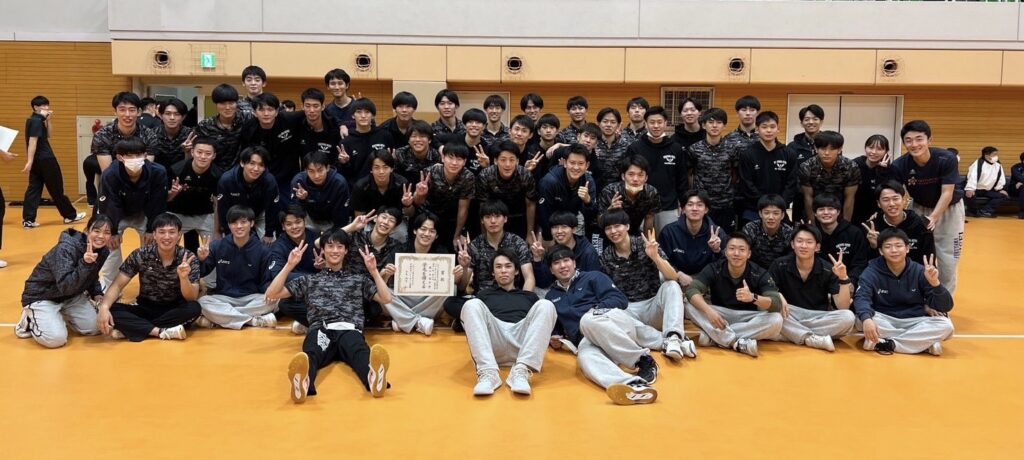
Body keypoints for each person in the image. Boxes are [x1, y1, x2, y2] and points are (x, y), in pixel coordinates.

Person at [267, 229, 393, 403]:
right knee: (311, 353)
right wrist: (289, 265)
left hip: (349, 330)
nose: (335, 250)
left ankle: (373, 379)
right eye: (330, 246)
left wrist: (374, 271)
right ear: (323, 250)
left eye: (340, 247)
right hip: (322, 330)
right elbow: (272, 293)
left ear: (346, 251)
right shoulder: (310, 280)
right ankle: (302, 383)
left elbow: (386, 298)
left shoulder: (358, 280)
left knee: (360, 353)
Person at [542, 245, 656, 406]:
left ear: (574, 263)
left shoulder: (593, 277)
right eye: (556, 263)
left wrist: (593, 311)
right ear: (551, 270)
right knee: (585, 358)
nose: (562, 266)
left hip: (612, 324)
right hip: (587, 339)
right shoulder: (551, 296)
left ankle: (643, 359)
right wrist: (556, 337)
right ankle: (632, 386)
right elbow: (557, 326)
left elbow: (619, 299)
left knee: (587, 320)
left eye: (566, 260)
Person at [599, 209, 696, 359]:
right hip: (629, 311)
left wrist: (655, 257)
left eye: (617, 226)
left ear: (627, 226)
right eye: (608, 228)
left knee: (672, 286)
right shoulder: (605, 257)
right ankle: (669, 342)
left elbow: (673, 276)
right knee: (609, 315)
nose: (613, 231)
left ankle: (674, 336)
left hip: (653, 306)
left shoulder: (645, 244)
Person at [461, 249, 558, 396]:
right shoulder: (484, 295)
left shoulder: (529, 296)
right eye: (498, 267)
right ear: (493, 272)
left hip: (522, 344)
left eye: (508, 266)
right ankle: (488, 372)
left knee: (546, 305)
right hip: (494, 342)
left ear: (516, 271)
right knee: (471, 304)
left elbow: (540, 324)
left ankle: (522, 370)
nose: (503, 270)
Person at [95, 213, 201, 342]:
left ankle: (137, 328)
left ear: (179, 235)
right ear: (154, 235)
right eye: (161, 232)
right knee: (110, 309)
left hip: (174, 309)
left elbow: (192, 297)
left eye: (172, 232)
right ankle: (159, 331)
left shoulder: (188, 258)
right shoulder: (141, 254)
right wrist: (104, 307)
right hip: (146, 307)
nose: (167, 237)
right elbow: (117, 285)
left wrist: (184, 278)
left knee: (194, 308)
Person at [890, 120, 964, 294]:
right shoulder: (899, 165)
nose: (914, 144)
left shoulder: (947, 158)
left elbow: (947, 193)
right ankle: (918, 296)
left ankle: (943, 300)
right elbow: (896, 193)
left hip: (949, 209)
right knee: (915, 253)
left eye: (919, 139)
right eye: (908, 140)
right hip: (919, 207)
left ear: (929, 140)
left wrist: (933, 217)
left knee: (948, 258)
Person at [16, 215, 112, 348]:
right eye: (96, 231)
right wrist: (85, 263)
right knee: (56, 339)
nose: (101, 236)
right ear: (86, 231)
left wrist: (97, 294)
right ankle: (29, 319)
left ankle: (58, 315)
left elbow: (92, 275)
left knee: (97, 327)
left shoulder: (103, 251)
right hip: (43, 295)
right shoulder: (66, 248)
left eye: (107, 232)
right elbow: (66, 286)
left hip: (71, 296)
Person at [854, 228, 954, 355]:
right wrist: (867, 319)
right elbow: (861, 298)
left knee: (946, 325)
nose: (894, 250)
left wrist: (935, 284)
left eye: (898, 245)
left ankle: (888, 344)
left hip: (914, 320)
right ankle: (922, 344)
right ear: (880, 251)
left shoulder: (920, 271)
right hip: (884, 318)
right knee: (861, 320)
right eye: (888, 246)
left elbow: (946, 306)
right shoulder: (871, 271)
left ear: (907, 248)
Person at [684, 232, 784, 357]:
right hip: (720, 315)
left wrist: (753, 297)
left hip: (748, 318)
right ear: (725, 252)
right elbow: (692, 290)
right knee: (688, 304)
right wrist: (709, 312)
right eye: (732, 248)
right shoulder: (715, 268)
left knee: (777, 319)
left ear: (749, 254)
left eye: (742, 250)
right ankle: (735, 341)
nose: (736, 253)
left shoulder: (759, 272)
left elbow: (776, 303)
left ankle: (717, 337)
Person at [768, 224, 855, 351]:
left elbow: (843, 307)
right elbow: (766, 292)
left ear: (817, 247)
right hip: (790, 314)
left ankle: (791, 334)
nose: (803, 246)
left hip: (817, 316)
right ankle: (810, 337)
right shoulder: (779, 264)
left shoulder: (827, 269)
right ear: (792, 244)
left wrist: (843, 278)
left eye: (809, 242)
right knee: (771, 310)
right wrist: (777, 295)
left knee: (848, 317)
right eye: (799, 241)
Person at [97, 138, 169, 287]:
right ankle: (110, 287)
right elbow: (110, 204)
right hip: (118, 214)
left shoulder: (158, 172)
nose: (134, 159)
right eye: (129, 156)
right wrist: (112, 231)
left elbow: (157, 202)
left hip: (144, 212)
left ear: (145, 156)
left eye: (138, 155)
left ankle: (150, 286)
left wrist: (152, 229)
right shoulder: (110, 174)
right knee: (109, 243)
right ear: (120, 157)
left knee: (152, 245)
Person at [195, 205, 277, 330]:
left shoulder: (263, 250)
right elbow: (201, 273)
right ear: (229, 225)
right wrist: (201, 260)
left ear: (251, 223)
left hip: (252, 298)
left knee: (275, 300)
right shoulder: (218, 246)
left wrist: (271, 291)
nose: (239, 226)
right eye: (234, 223)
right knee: (203, 302)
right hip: (224, 297)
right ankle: (252, 321)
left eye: (243, 222)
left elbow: (266, 281)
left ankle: (222, 318)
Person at [380, 212, 451, 336]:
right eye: (423, 229)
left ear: (436, 236)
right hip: (403, 297)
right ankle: (419, 322)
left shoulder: (441, 252)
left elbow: (447, 281)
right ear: (415, 231)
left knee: (451, 287)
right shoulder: (400, 250)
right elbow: (382, 281)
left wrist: (456, 274)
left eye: (432, 231)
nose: (427, 234)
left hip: (427, 298)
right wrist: (386, 273)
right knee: (381, 291)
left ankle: (402, 319)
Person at [21, 95, 85, 228]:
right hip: (46, 159)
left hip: (39, 160)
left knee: (34, 188)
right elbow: (33, 141)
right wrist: (29, 161)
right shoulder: (36, 121)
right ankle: (70, 215)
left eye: (47, 105)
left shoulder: (35, 120)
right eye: (43, 106)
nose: (47, 108)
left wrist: (48, 121)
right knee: (56, 188)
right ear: (36, 107)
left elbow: (49, 135)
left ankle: (28, 219)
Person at [624, 106, 688, 231]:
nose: (656, 126)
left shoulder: (676, 148)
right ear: (646, 124)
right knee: (640, 240)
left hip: (668, 206)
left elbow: (682, 179)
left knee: (667, 239)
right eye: (652, 122)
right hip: (640, 206)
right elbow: (627, 176)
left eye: (659, 122)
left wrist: (684, 203)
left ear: (666, 123)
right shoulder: (635, 148)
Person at [736, 111, 797, 224]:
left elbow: (791, 183)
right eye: (764, 127)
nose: (769, 130)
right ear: (757, 130)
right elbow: (746, 183)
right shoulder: (747, 154)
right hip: (753, 209)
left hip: (779, 209)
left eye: (772, 127)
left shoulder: (789, 153)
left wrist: (779, 204)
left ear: (778, 129)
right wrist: (763, 204)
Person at [658, 190, 729, 287]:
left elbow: (726, 262)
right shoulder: (669, 231)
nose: (695, 209)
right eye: (690, 205)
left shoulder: (717, 232)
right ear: (683, 209)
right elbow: (661, 260)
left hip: (706, 279)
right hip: (676, 278)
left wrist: (717, 251)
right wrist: (677, 274)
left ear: (706, 209)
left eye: (699, 205)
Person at [463, 200, 535, 293]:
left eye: (497, 216)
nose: (493, 221)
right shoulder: (475, 245)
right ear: (482, 220)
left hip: (512, 296)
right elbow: (462, 286)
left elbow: (529, 278)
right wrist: (464, 268)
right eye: (488, 217)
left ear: (505, 219)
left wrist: (524, 299)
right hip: (483, 297)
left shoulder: (517, 242)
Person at [412, 142, 475, 247]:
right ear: (443, 158)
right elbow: (418, 202)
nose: (454, 163)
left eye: (459, 159)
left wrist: (457, 235)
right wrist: (420, 194)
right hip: (427, 214)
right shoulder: (430, 171)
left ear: (464, 162)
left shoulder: (468, 177)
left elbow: (463, 209)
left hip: (451, 218)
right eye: (450, 158)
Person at [269, 205, 319, 334]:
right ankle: (311, 321)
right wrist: (309, 279)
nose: (294, 227)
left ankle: (309, 322)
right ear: (283, 227)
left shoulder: (317, 238)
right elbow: (277, 274)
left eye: (298, 222)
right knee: (284, 304)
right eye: (289, 224)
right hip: (299, 290)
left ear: (304, 221)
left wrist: (325, 266)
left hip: (321, 289)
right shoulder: (278, 246)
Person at [687, 107, 738, 232]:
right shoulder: (694, 149)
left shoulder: (732, 148)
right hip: (702, 204)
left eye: (719, 122)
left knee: (725, 237)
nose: (714, 126)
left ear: (724, 125)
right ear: (704, 125)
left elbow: (735, 173)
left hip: (726, 203)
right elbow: (690, 174)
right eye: (710, 122)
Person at [215, 146, 281, 242]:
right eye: (252, 163)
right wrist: (228, 234)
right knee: (232, 244)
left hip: (259, 215)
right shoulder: (227, 180)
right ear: (242, 163)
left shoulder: (269, 181)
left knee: (271, 244)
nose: (256, 168)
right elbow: (223, 209)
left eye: (261, 165)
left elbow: (272, 209)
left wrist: (269, 233)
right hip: (235, 216)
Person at [476, 140, 540, 238]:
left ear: (517, 161)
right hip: (494, 218)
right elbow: (483, 207)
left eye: (512, 160)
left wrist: (530, 233)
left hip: (519, 217)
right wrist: (485, 236)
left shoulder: (525, 175)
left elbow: (530, 204)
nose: (507, 164)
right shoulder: (485, 175)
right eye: (503, 160)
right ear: (495, 161)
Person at [167, 136, 221, 249]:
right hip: (178, 214)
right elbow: (166, 200)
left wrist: (217, 231)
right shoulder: (177, 170)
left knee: (215, 248)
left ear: (214, 156)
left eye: (208, 153)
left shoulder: (217, 175)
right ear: (192, 152)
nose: (203, 156)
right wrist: (173, 193)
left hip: (205, 215)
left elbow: (217, 204)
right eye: (199, 152)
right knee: (167, 244)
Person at [537, 144, 598, 242]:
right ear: (565, 163)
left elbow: (591, 216)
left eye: (581, 163)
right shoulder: (549, 182)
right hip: (551, 227)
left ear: (587, 166)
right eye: (572, 163)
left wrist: (588, 201)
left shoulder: (588, 181)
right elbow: (544, 215)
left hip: (574, 224)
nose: (576, 167)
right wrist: (549, 238)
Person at [798, 130, 861, 222]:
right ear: (816, 148)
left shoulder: (851, 167)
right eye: (823, 148)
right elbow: (808, 198)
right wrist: (812, 225)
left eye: (832, 149)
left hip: (839, 212)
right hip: (815, 211)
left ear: (839, 149)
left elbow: (849, 198)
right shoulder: (806, 167)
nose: (827, 153)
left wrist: (845, 225)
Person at [350, 148, 413, 239]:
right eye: (376, 167)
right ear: (371, 169)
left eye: (385, 167)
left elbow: (410, 214)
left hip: (395, 224)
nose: (381, 172)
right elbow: (359, 217)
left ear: (391, 168)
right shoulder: (361, 186)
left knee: (402, 235)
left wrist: (407, 205)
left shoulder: (402, 183)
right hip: (370, 223)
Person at [865, 181, 935, 262]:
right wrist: (873, 246)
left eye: (895, 199)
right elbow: (867, 263)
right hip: (882, 269)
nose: (892, 204)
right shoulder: (871, 228)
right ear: (878, 204)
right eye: (886, 200)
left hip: (915, 269)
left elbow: (929, 259)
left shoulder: (922, 224)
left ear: (904, 200)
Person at [530, 210, 602, 288]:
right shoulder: (553, 251)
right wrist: (537, 258)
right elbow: (544, 283)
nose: (559, 231)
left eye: (564, 227)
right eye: (555, 227)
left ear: (574, 229)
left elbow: (595, 283)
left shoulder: (588, 252)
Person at [91, 92, 158, 172]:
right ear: (115, 111)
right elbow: (107, 171)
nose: (127, 114)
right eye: (122, 110)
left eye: (132, 110)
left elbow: (146, 169)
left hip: (141, 177)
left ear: (139, 112)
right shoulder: (102, 135)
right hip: (113, 177)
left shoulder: (149, 135)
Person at [812, 194, 871, 285]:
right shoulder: (812, 234)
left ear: (838, 212)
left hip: (848, 282)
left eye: (831, 209)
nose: (826, 212)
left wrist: (849, 282)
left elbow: (860, 263)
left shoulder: (854, 232)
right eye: (821, 209)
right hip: (819, 284)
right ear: (815, 213)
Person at [597, 155, 660, 236]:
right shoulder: (610, 191)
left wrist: (647, 241)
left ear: (646, 178)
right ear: (623, 176)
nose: (635, 179)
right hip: (608, 233)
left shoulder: (651, 193)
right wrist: (610, 210)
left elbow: (649, 219)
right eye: (631, 174)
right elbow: (599, 223)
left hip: (634, 232)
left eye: (640, 175)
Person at [290, 151, 351, 233]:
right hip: (308, 219)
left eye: (320, 170)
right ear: (305, 171)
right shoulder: (298, 181)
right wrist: (302, 200)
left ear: (327, 168)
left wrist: (333, 235)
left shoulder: (339, 183)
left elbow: (342, 217)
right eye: (311, 171)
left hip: (332, 222)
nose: (316, 176)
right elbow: (295, 212)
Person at [196, 84, 253, 170]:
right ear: (216, 104)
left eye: (231, 103)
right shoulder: (205, 126)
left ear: (237, 103)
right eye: (222, 103)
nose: (227, 107)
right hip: (213, 170)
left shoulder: (247, 118)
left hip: (241, 170)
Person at [338, 98, 394, 182]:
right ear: (353, 115)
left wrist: (393, 160)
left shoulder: (385, 136)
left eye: (367, 112)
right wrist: (345, 163)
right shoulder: (346, 142)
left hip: (382, 184)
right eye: (359, 112)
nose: (363, 116)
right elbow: (346, 174)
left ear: (373, 115)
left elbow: (391, 165)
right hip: (357, 187)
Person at [741, 194, 794, 269]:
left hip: (780, 271)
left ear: (782, 215)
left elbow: (790, 260)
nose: (771, 217)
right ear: (760, 213)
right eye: (766, 213)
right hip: (754, 271)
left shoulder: (788, 232)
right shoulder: (750, 229)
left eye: (776, 213)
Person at [851, 134, 895, 225]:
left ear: (886, 151)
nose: (874, 152)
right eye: (870, 147)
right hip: (855, 212)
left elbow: (885, 193)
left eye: (879, 149)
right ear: (865, 148)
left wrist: (882, 172)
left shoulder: (891, 170)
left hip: (878, 214)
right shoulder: (855, 164)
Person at [593, 107, 633, 190]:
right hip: (595, 189)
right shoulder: (592, 144)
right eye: (605, 121)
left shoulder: (626, 145)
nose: (608, 125)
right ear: (598, 123)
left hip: (620, 189)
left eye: (613, 122)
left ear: (618, 125)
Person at [149, 97, 194, 171]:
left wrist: (188, 152)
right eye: (168, 114)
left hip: (183, 174)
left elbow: (192, 164)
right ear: (160, 115)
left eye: (177, 114)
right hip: (158, 174)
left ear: (183, 117)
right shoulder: (151, 134)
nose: (172, 118)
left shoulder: (190, 135)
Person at [392, 120, 440, 185]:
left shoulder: (437, 155)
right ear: (408, 140)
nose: (418, 140)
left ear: (429, 140)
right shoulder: (400, 154)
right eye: (414, 136)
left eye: (422, 136)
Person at [965, 146, 1008, 218]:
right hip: (976, 189)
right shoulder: (978, 163)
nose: (996, 156)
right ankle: (972, 212)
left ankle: (986, 211)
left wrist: (1000, 189)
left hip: (988, 190)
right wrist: (970, 188)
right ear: (987, 156)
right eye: (994, 154)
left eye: (996, 154)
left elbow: (1001, 178)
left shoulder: (998, 165)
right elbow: (972, 176)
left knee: (1004, 196)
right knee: (969, 195)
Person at [1010, 152, 1024, 219]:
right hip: (1015, 189)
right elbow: (1020, 178)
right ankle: (1022, 211)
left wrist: (1022, 182)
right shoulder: (1015, 167)